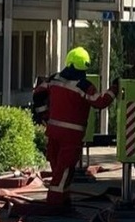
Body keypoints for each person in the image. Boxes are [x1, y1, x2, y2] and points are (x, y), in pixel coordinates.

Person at [36, 46, 118, 213]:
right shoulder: (84, 85)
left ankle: (63, 200)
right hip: (72, 136)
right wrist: (114, 89)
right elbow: (100, 102)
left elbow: (38, 94)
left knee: (57, 167)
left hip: (53, 132)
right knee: (65, 170)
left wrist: (44, 115)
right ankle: (55, 203)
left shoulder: (54, 79)